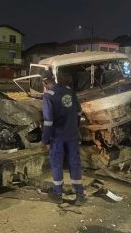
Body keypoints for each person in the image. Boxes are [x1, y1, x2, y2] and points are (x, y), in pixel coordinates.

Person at [40, 70, 87, 206]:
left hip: (58, 137)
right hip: (72, 135)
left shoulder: (48, 96)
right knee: (74, 163)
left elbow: (48, 121)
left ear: (45, 81)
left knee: (57, 164)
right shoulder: (69, 91)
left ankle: (58, 194)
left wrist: (44, 140)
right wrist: (74, 127)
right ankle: (80, 194)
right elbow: (79, 112)